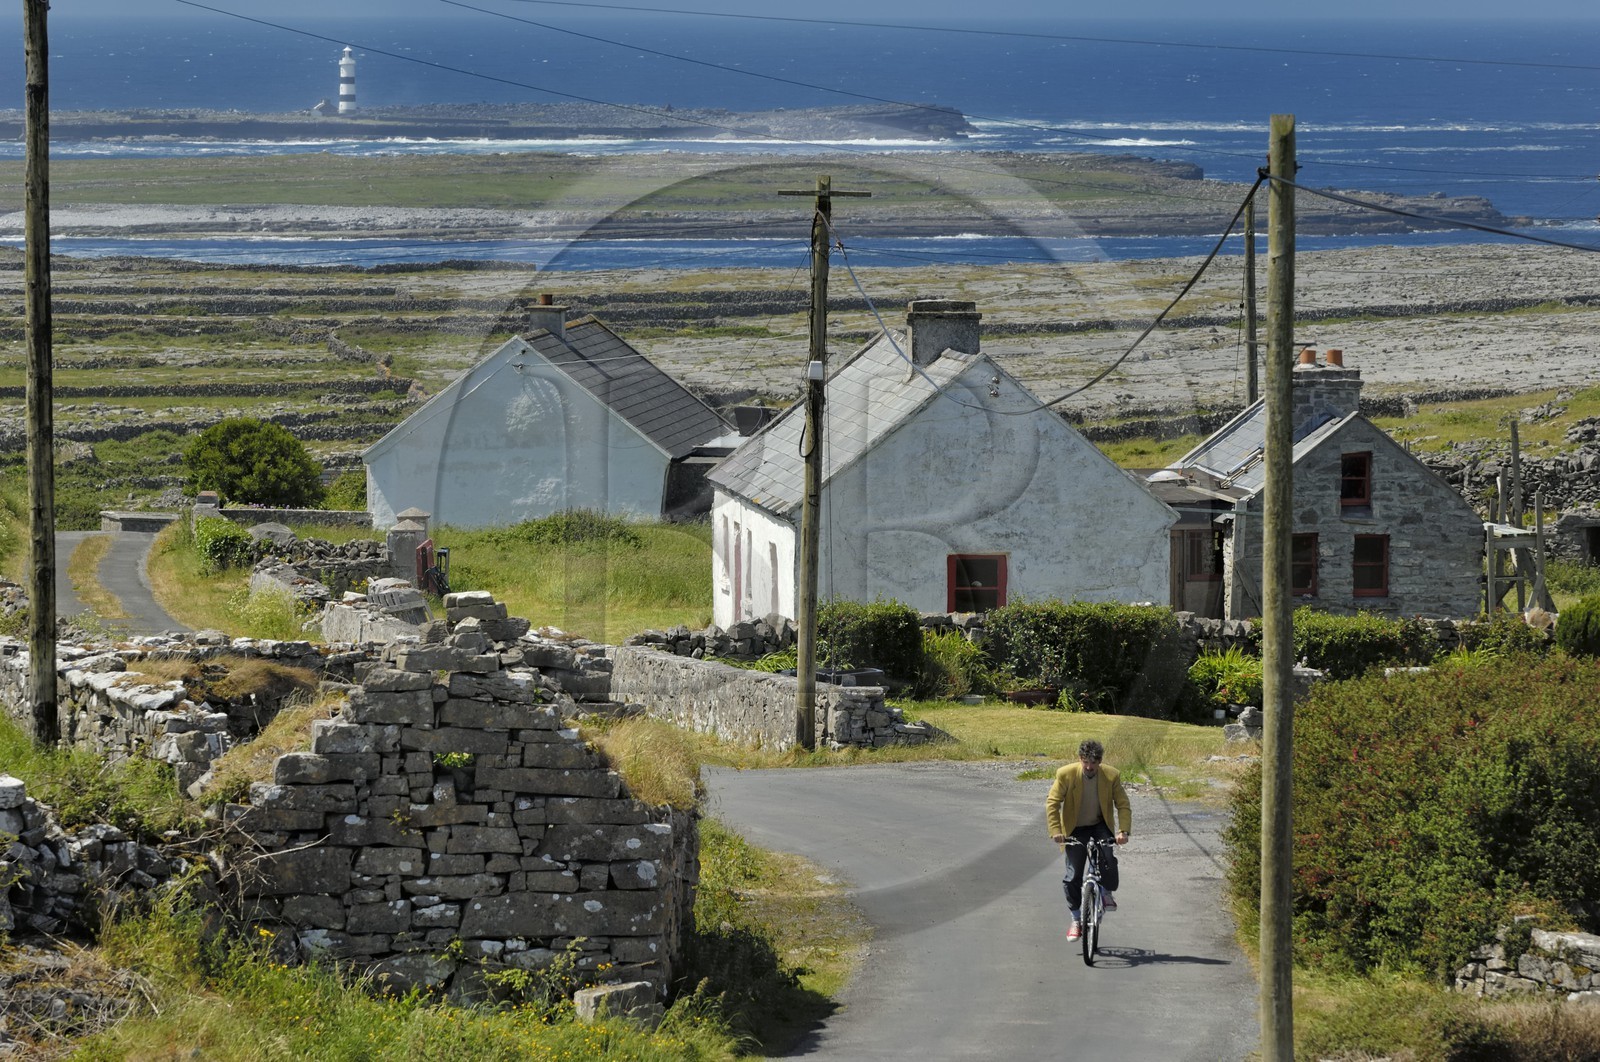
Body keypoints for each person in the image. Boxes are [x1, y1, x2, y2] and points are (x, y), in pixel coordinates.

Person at [1046, 738, 1131, 941]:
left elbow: (1123, 804)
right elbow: (1052, 803)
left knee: (1108, 858)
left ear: (1100, 761)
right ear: (1080, 759)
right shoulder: (1065, 774)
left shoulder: (1111, 776)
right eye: (1086, 762)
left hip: (1100, 824)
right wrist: (1056, 830)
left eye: (1094, 762)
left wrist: (1123, 831)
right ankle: (1076, 919)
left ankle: (1106, 892)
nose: (1089, 766)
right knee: (1073, 875)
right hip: (1076, 827)